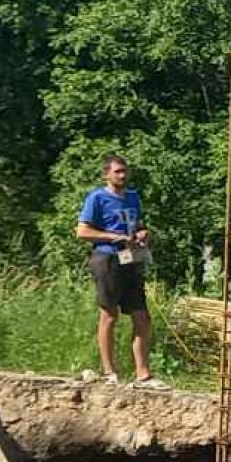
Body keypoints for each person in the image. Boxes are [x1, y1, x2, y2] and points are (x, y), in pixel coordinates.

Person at [74, 154, 166, 389]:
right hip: (107, 258)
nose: (122, 175)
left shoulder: (133, 197)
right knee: (109, 314)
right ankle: (109, 372)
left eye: (125, 171)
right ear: (106, 174)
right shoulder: (97, 198)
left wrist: (143, 233)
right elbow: (82, 232)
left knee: (142, 316)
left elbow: (137, 225)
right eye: (117, 171)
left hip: (131, 259)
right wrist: (112, 237)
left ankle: (143, 374)